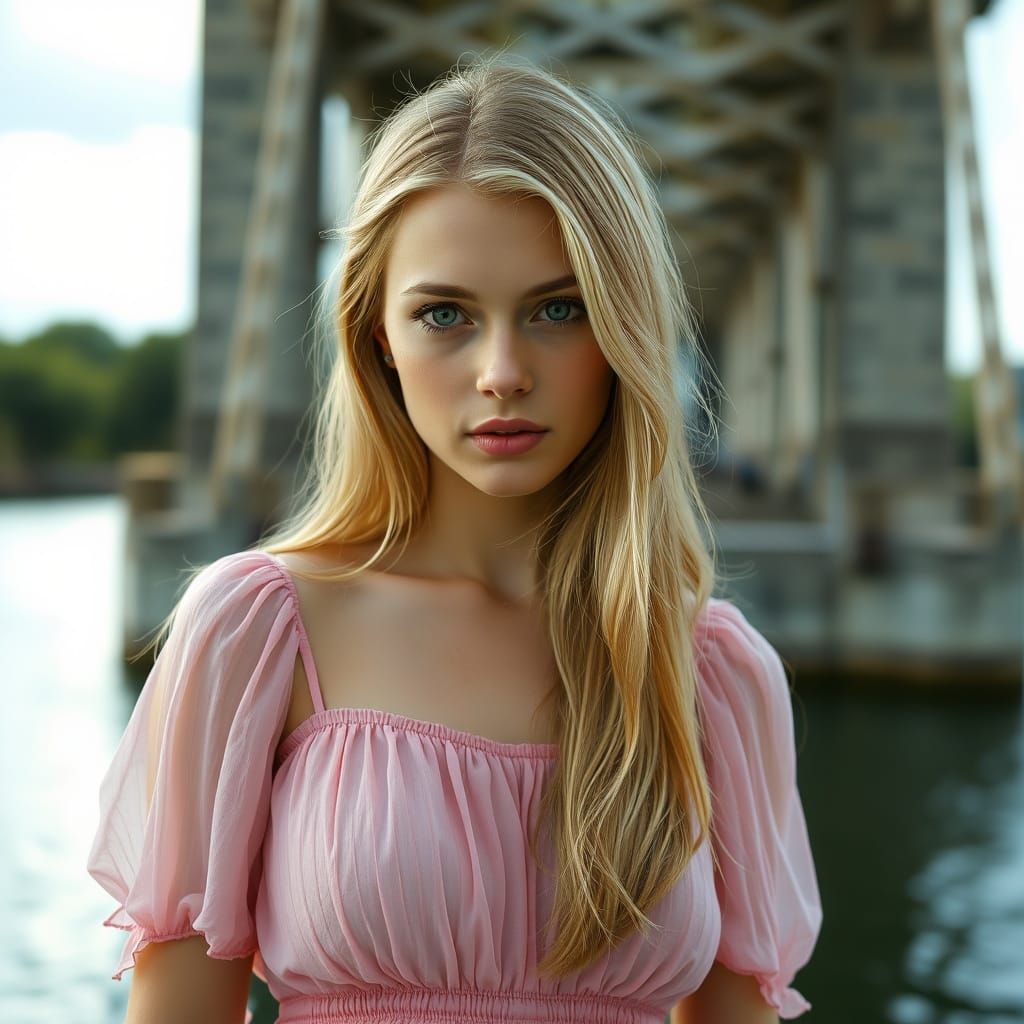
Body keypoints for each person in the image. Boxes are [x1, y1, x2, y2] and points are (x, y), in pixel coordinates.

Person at [87, 51, 822, 1024]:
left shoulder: (712, 672)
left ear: (625, 330)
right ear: (378, 336)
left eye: (559, 309)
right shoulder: (260, 628)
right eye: (445, 314)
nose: (502, 371)